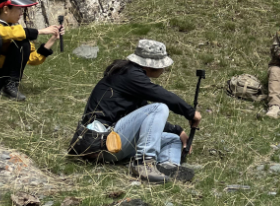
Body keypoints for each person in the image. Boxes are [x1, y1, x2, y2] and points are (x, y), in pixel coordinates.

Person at [73, 39, 200, 183]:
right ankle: (144, 163)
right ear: (150, 65)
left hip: (111, 143)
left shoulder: (128, 77)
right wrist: (190, 112)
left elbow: (147, 118)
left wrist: (178, 131)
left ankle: (168, 166)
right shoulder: (130, 76)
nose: (164, 69)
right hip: (100, 143)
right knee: (160, 107)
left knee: (173, 139)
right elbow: (160, 95)